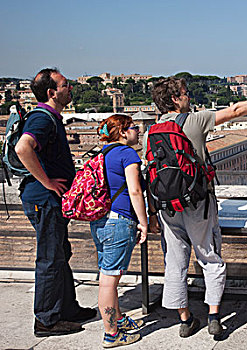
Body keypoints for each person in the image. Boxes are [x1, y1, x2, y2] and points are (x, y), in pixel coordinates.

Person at [147, 76, 247, 337]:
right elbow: (234, 111)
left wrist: (152, 212)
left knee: (175, 263)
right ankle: (214, 316)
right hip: (198, 203)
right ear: (176, 99)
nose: (189, 97)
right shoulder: (194, 121)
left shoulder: (152, 130)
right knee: (209, 258)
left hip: (167, 206)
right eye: (185, 93)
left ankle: (185, 319)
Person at [15, 68, 97, 336]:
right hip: (44, 199)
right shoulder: (43, 119)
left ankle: (67, 309)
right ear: (51, 92)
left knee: (60, 254)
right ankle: (47, 320)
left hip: (49, 200)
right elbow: (23, 148)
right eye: (65, 84)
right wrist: (47, 182)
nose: (70, 87)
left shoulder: (50, 118)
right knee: (50, 258)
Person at [90, 114, 148, 348]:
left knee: (107, 275)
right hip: (119, 221)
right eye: (134, 128)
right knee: (108, 281)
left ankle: (118, 319)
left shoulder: (102, 154)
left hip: (100, 222)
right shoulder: (127, 154)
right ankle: (111, 333)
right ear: (123, 132)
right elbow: (135, 191)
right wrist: (143, 222)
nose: (137, 131)